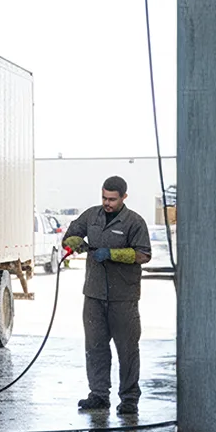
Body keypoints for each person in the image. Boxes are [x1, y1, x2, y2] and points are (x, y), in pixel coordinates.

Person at [61, 176, 152, 415]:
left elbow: (143, 254)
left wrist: (113, 254)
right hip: (94, 294)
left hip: (123, 297)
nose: (107, 203)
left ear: (124, 197)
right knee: (95, 348)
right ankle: (99, 395)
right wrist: (74, 242)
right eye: (104, 198)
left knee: (127, 350)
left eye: (112, 199)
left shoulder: (134, 222)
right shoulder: (91, 216)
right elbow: (69, 236)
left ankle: (129, 399)